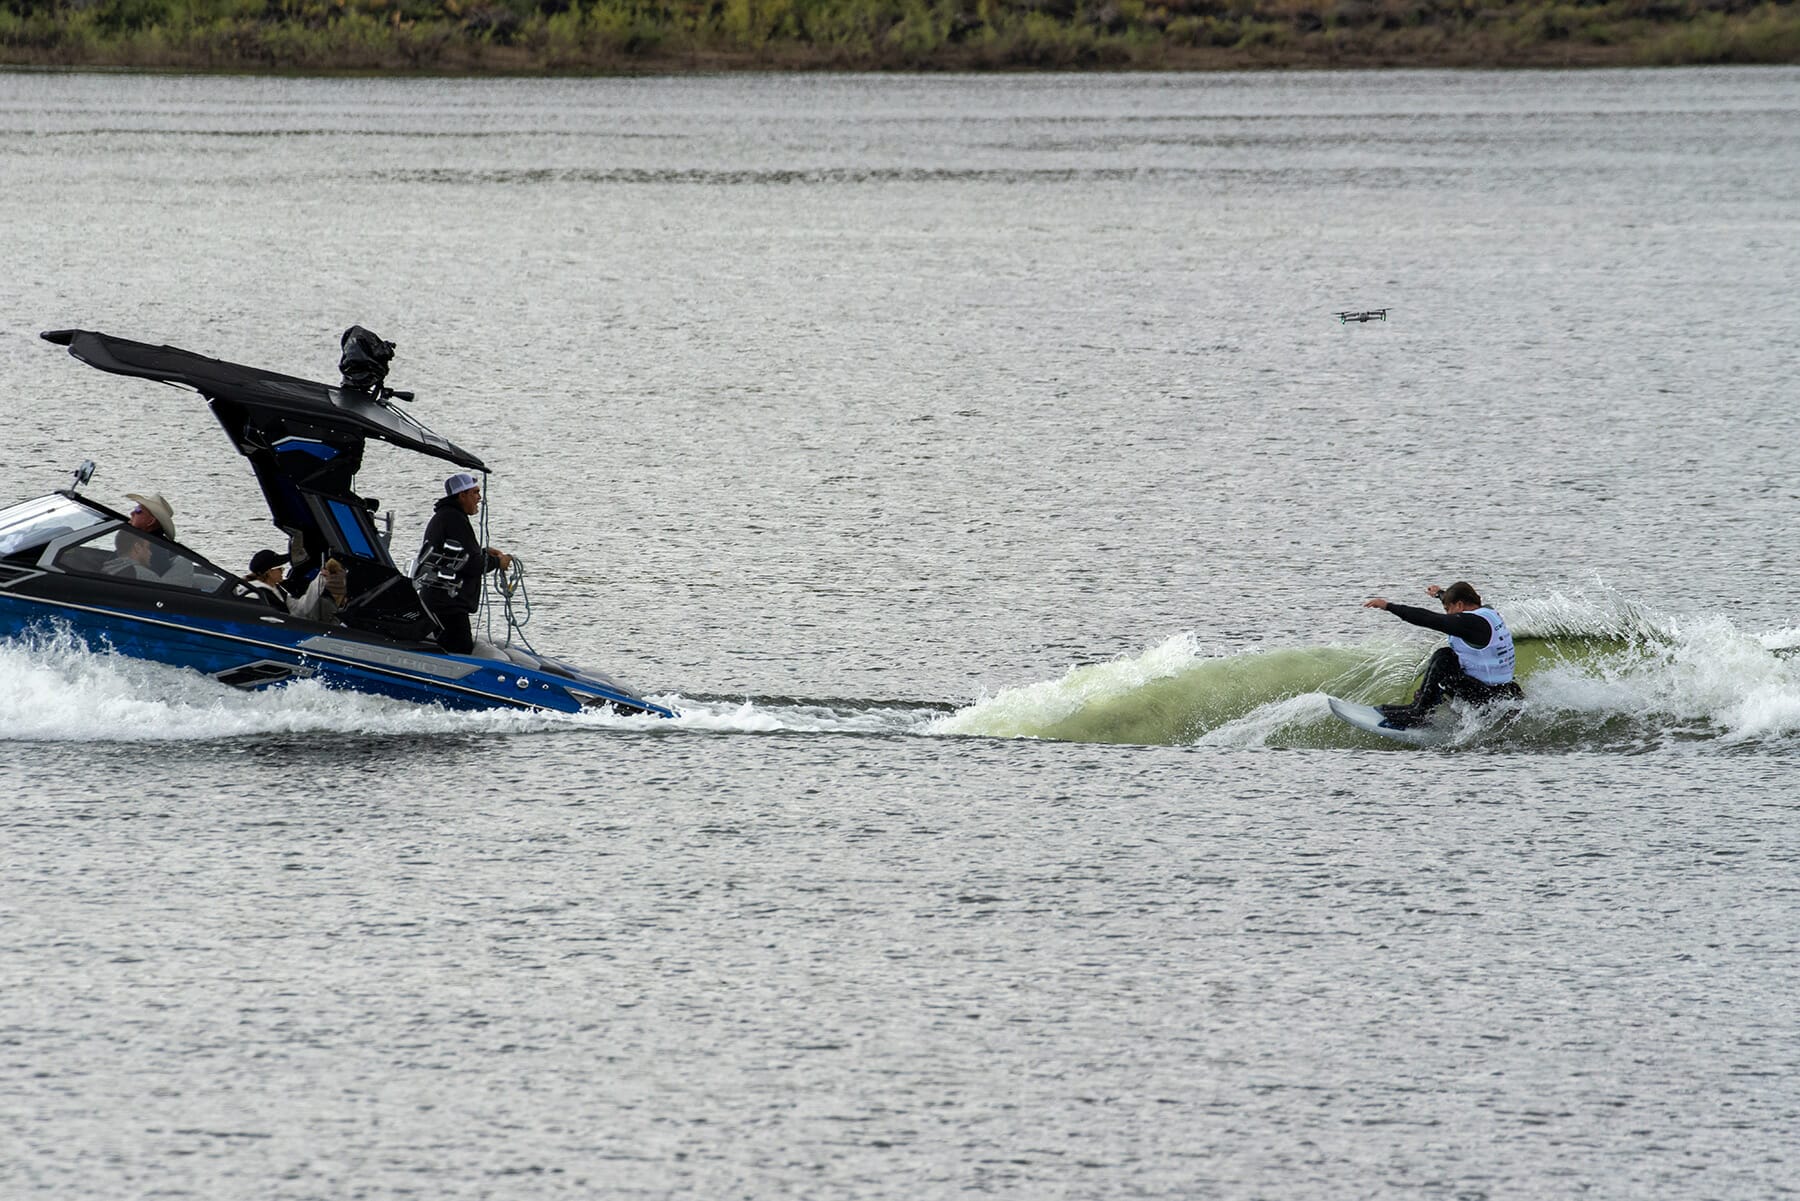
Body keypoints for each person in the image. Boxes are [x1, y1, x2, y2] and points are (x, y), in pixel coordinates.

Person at [1362, 581, 1522, 729]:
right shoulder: (1488, 612)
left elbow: (1431, 619)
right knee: (1446, 655)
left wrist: (1389, 606)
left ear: (1459, 605)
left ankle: (1419, 715)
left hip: (1485, 697)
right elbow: (1456, 612)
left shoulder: (1471, 623)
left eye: (1447, 610)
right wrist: (1440, 594)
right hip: (1503, 692)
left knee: (1444, 659)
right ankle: (1418, 707)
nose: (1447, 615)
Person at [415, 472, 511, 655]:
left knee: (452, 649)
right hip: (447, 605)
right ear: (462, 495)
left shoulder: (447, 516)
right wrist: (498, 562)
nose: (479, 498)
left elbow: (456, 557)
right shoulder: (454, 519)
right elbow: (470, 564)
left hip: (439, 601)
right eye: (475, 493)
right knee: (459, 651)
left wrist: (483, 553)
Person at [245, 548, 347, 622]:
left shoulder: (276, 590)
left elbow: (299, 609)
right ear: (269, 572)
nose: (282, 572)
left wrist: (321, 578)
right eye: (280, 569)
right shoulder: (256, 594)